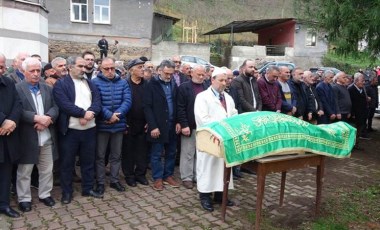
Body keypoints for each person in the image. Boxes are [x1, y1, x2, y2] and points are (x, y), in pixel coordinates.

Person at [53, 56, 103, 204]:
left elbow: (97, 101)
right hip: (70, 131)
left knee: (88, 162)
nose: (83, 69)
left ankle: (87, 188)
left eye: (84, 67)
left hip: (90, 129)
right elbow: (64, 104)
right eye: (80, 66)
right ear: (70, 67)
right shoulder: (61, 84)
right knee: (67, 163)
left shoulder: (89, 83)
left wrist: (89, 114)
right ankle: (67, 192)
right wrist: (82, 113)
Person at [15, 57, 59, 212]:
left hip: (46, 135)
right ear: (23, 71)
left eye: (37, 71)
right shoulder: (17, 88)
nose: (35, 74)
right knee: (25, 170)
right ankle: (24, 198)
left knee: (47, 168)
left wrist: (48, 118)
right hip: (28, 137)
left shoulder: (46, 87)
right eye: (31, 71)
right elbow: (17, 111)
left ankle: (45, 194)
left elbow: (55, 106)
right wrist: (35, 118)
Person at [194, 67, 237, 212]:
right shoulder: (202, 97)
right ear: (212, 80)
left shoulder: (228, 98)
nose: (224, 83)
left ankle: (220, 195)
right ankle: (205, 196)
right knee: (207, 167)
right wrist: (222, 128)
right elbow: (203, 119)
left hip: (225, 139)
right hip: (209, 138)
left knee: (223, 167)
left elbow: (234, 114)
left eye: (226, 80)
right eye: (221, 80)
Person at [92, 57, 131, 194]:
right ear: (100, 69)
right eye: (106, 68)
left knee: (116, 155)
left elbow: (127, 101)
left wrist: (116, 116)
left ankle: (114, 180)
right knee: (100, 156)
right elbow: (96, 102)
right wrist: (109, 115)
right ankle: (101, 182)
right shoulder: (94, 82)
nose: (110, 71)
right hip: (102, 125)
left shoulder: (123, 82)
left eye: (112, 68)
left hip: (118, 124)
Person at [143, 59, 181, 191]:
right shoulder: (150, 84)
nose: (169, 76)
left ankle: (168, 175)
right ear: (159, 71)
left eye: (171, 73)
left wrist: (177, 121)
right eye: (166, 73)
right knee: (156, 153)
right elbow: (147, 107)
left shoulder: (173, 84)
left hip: (172, 124)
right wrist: (153, 126)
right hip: (158, 125)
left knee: (171, 152)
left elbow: (176, 104)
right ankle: (158, 178)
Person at [177, 65, 208, 189]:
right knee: (188, 153)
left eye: (203, 75)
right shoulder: (184, 87)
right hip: (189, 125)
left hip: (203, 126)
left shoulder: (207, 87)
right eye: (198, 74)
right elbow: (180, 107)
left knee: (200, 152)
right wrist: (184, 124)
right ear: (191, 74)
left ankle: (197, 175)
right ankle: (187, 177)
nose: (201, 77)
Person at [0, 53, 22, 218]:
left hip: (7, 136)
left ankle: (4, 204)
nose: (1, 70)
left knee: (6, 172)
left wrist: (12, 120)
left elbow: (18, 103)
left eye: (2, 67)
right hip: (4, 128)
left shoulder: (8, 82)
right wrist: (3, 121)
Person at [122, 58, 150, 187]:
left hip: (143, 123)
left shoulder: (147, 85)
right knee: (128, 151)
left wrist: (149, 121)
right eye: (139, 67)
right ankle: (129, 175)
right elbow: (120, 103)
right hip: (129, 123)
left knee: (142, 151)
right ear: (131, 70)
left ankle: (140, 174)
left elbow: (151, 105)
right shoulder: (125, 84)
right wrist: (124, 122)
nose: (142, 69)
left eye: (143, 67)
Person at [348, 73, 370, 149]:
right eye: (362, 81)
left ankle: (356, 144)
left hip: (362, 114)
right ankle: (351, 146)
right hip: (355, 115)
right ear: (356, 81)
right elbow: (350, 103)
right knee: (354, 130)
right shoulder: (350, 89)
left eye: (364, 80)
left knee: (359, 131)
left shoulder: (362, 89)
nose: (364, 82)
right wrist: (352, 113)